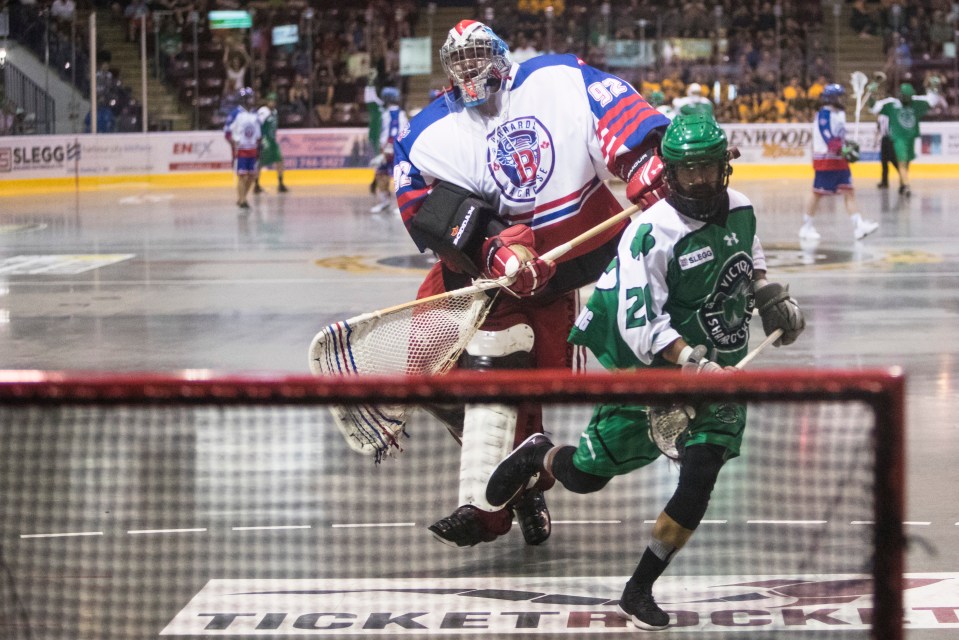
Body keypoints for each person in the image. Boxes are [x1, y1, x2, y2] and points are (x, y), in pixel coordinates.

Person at [485, 110, 805, 630]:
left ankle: (639, 588)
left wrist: (771, 300)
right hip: (653, 368)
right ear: (670, 173)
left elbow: (750, 261)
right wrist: (689, 365)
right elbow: (640, 327)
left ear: (725, 168)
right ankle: (541, 457)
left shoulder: (741, 209)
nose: (699, 181)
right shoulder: (652, 233)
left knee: (700, 475)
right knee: (587, 477)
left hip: (719, 371)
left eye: (708, 169)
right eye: (687, 171)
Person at [393, 20, 670, 548]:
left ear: (502, 57)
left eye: (480, 57)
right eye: (461, 62)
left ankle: (490, 502)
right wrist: (491, 245)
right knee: (432, 374)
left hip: (567, 261)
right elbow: (421, 207)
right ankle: (525, 485)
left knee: (512, 377)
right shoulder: (426, 131)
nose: (471, 71)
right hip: (482, 273)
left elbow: (618, 115)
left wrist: (646, 160)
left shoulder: (556, 78)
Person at [801, 83, 879, 241]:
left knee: (849, 191)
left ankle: (859, 226)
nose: (841, 99)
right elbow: (827, 136)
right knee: (817, 193)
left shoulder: (839, 113)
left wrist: (847, 146)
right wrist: (840, 149)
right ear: (831, 98)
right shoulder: (824, 114)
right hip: (826, 159)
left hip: (839, 159)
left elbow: (839, 135)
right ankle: (806, 227)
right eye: (838, 96)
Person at [869, 83, 941, 197]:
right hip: (898, 139)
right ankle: (906, 185)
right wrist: (871, 95)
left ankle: (902, 185)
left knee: (906, 163)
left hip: (910, 138)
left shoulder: (917, 103)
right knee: (901, 163)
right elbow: (874, 108)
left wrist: (935, 87)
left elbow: (932, 100)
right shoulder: (892, 104)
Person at [365, 82, 408, 214]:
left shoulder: (396, 114)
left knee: (398, 178)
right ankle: (385, 202)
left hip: (393, 150)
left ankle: (400, 205)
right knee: (381, 174)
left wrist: (389, 150)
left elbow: (395, 132)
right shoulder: (387, 113)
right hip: (386, 150)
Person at [224, 88, 261, 211]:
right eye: (249, 98)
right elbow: (227, 131)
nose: (252, 100)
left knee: (251, 176)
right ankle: (242, 199)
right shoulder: (236, 113)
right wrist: (233, 144)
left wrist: (259, 146)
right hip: (241, 149)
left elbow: (258, 132)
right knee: (242, 175)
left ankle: (243, 197)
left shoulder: (255, 114)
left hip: (253, 149)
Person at [866, 73, 899, 190]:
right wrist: (876, 140)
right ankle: (884, 181)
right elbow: (879, 128)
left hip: (891, 138)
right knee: (884, 161)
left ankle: (902, 176)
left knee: (893, 160)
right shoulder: (881, 115)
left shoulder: (891, 112)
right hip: (884, 139)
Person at [254, 92, 289, 194]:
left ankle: (281, 183)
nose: (272, 103)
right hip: (265, 140)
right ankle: (256, 184)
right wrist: (260, 139)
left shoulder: (275, 112)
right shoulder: (263, 112)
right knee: (260, 162)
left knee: (280, 160)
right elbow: (258, 124)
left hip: (272, 140)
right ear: (267, 101)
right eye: (270, 101)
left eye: (274, 101)